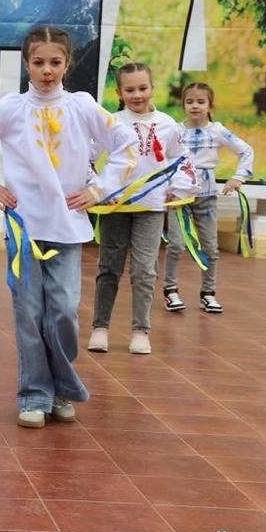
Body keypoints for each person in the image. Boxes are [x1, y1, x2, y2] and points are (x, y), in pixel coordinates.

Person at [0, 26, 137, 429]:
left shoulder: (83, 107)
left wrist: (99, 188)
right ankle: (35, 394)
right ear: (27, 64)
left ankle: (59, 387)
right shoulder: (10, 108)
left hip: (69, 228)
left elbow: (127, 143)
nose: (47, 71)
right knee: (29, 312)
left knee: (64, 312)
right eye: (38, 63)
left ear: (67, 64)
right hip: (23, 228)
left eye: (55, 62)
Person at [88, 63, 197, 355]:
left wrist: (178, 188)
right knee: (109, 267)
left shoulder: (168, 124)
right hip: (116, 207)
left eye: (142, 88)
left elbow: (180, 160)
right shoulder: (111, 122)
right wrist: (98, 190)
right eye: (130, 90)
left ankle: (140, 330)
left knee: (145, 270)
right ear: (119, 93)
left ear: (152, 88)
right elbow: (87, 157)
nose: (137, 95)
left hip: (151, 208)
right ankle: (100, 327)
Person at [162, 81, 254, 314]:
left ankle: (208, 292)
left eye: (201, 102)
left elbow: (246, 150)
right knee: (176, 244)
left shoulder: (217, 131)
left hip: (207, 197)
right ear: (183, 104)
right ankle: (170, 290)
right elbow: (160, 157)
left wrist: (238, 178)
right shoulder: (175, 130)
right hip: (179, 197)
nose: (195, 106)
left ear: (210, 105)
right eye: (190, 101)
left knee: (211, 247)